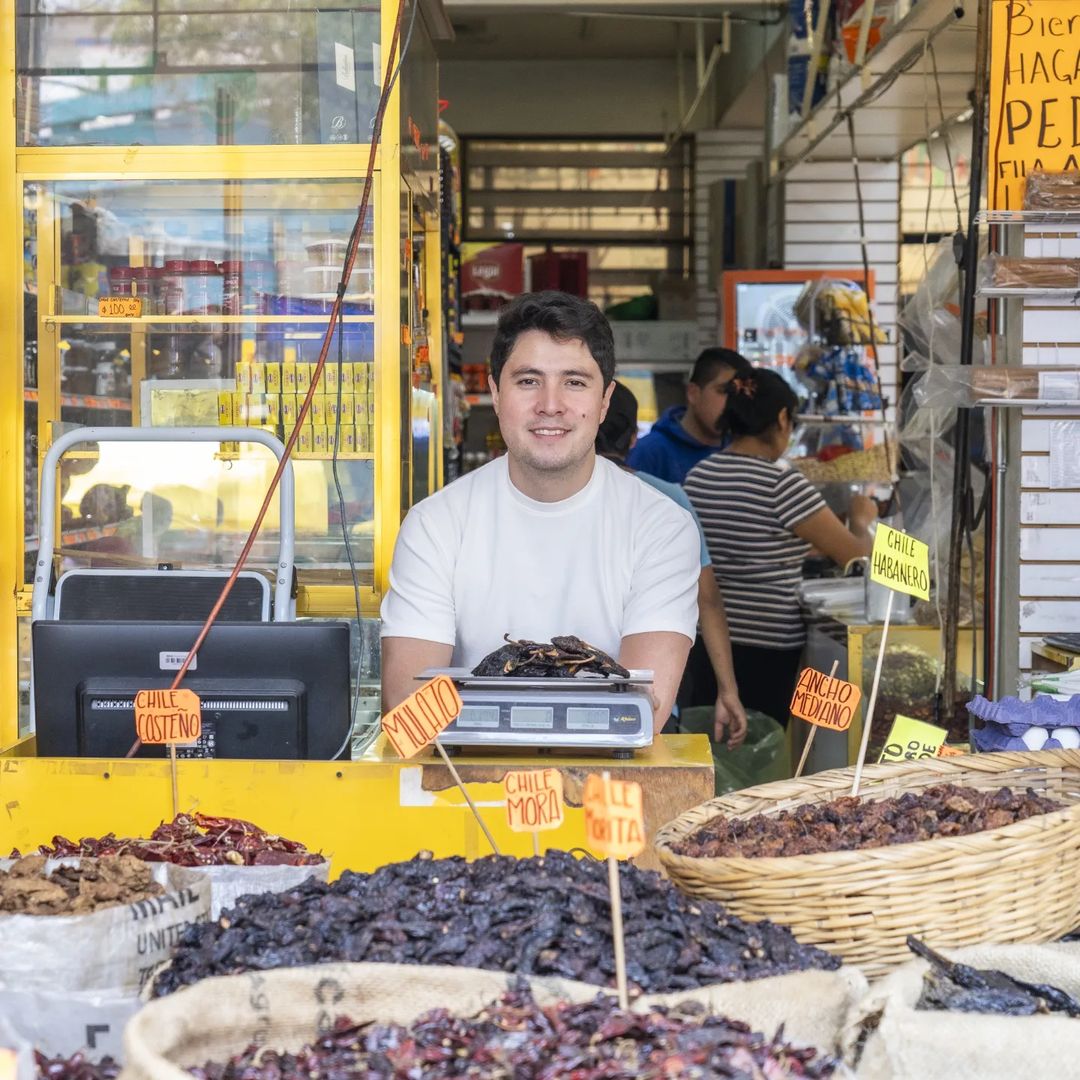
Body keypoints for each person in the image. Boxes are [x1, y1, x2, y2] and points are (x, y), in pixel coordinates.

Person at [380, 291, 700, 732]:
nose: (551, 404)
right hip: (465, 790)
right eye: (528, 380)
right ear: (495, 393)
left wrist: (482, 712)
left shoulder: (661, 528)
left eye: (574, 381)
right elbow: (410, 709)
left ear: (605, 400)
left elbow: (639, 712)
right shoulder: (434, 525)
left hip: (605, 791)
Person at [684, 368, 878, 726]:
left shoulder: (699, 475)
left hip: (707, 644)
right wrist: (862, 518)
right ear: (782, 418)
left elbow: (745, 545)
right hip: (768, 647)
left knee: (716, 748)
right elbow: (855, 555)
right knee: (763, 745)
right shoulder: (781, 484)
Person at [596, 381, 747, 749]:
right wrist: (728, 690)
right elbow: (707, 600)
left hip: (560, 691)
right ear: (633, 439)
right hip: (652, 702)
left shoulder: (550, 499)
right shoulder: (668, 497)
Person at [626, 346, 751, 484]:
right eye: (724, 391)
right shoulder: (649, 453)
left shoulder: (743, 452)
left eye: (741, 394)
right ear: (693, 393)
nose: (733, 402)